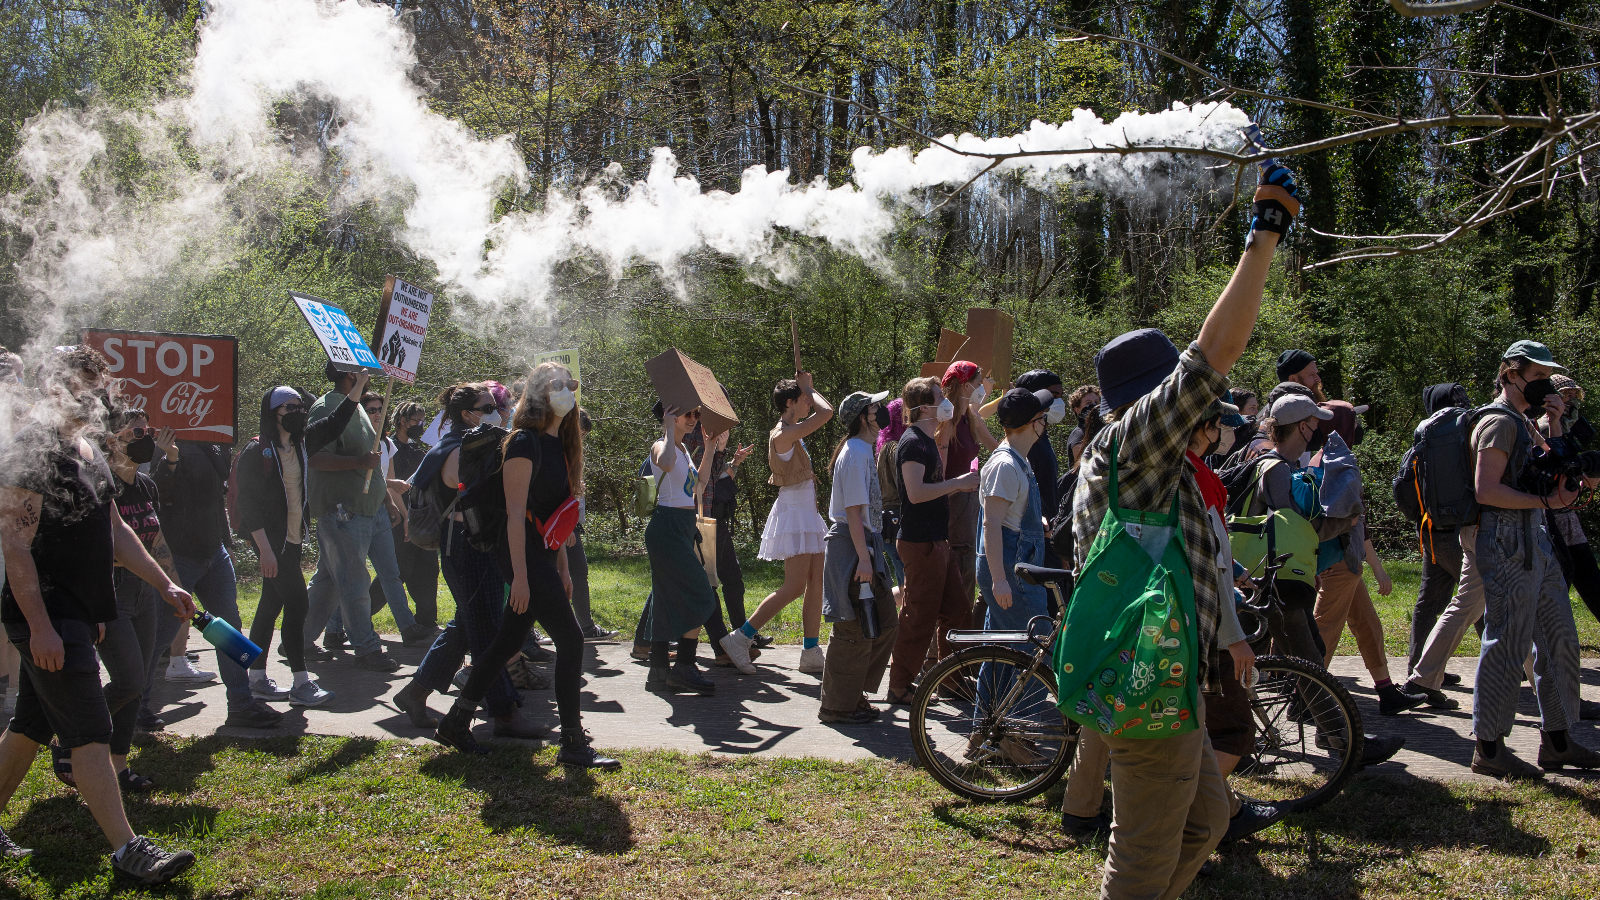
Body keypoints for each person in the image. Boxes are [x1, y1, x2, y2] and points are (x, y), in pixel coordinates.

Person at [1061, 159, 1297, 900]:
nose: (1209, 416)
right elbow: (1215, 354)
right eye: (1193, 402)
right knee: (1142, 859)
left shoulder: (1147, 464)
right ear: (1155, 397)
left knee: (1203, 825)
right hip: (1149, 687)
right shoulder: (1138, 442)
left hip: (1172, 684)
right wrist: (1265, 230)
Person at [0, 347, 197, 882]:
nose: (95, 398)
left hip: (79, 613)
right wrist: (42, 626)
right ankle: (128, 850)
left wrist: (164, 582)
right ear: (53, 387)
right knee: (89, 730)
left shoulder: (88, 450)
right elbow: (16, 549)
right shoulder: (31, 448)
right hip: (45, 613)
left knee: (29, 727)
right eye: (84, 387)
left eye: (97, 386)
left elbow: (114, 531)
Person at [433, 364, 619, 768]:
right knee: (570, 641)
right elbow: (515, 515)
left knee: (505, 642)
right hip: (520, 556)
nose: (567, 390)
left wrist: (564, 570)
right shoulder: (522, 442)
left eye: (571, 383)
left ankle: (455, 722)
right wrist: (519, 576)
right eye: (558, 384)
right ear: (537, 394)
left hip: (542, 555)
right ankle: (572, 743)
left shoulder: (563, 445)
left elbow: (559, 518)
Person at [1458, 342, 1599, 778]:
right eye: (1537, 376)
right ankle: (1489, 747)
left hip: (1536, 538)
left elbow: (1553, 466)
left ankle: (1558, 741)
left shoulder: (1526, 421)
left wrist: (1555, 423)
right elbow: (1486, 490)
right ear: (1511, 374)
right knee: (1508, 641)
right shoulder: (1498, 422)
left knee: (1560, 638)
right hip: (1505, 542)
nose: (1544, 384)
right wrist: (1544, 500)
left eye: (1547, 377)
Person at [393, 384, 536, 740]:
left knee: (464, 627)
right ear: (467, 414)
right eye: (487, 407)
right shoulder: (458, 449)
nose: (496, 411)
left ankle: (414, 693)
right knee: (487, 630)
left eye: (496, 406)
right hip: (465, 545)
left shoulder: (475, 443)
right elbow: (477, 495)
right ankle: (504, 711)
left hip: (480, 543)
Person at [49, 406, 179, 793]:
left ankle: (119, 768)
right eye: (136, 435)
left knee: (137, 687)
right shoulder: (97, 484)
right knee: (128, 680)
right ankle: (69, 740)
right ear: (112, 442)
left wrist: (172, 583)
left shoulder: (145, 484)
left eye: (148, 432)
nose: (147, 440)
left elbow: (154, 540)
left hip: (145, 592)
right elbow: (105, 547)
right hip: (112, 590)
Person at [144, 393, 282, 730]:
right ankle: (135, 706)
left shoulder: (216, 443)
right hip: (177, 556)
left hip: (213, 554)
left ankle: (241, 704)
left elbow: (216, 498)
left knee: (229, 630)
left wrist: (226, 543)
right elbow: (156, 493)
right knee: (161, 633)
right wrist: (169, 458)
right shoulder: (164, 442)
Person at [237, 385, 360, 708]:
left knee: (269, 608)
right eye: (289, 408)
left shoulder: (302, 443)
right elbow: (249, 505)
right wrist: (263, 549)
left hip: (291, 540)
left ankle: (256, 678)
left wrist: (358, 387)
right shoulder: (256, 452)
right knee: (297, 605)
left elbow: (336, 422)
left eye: (299, 406)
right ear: (273, 413)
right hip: (270, 543)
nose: (297, 412)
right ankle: (301, 683)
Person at [1308, 400, 1428, 716]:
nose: (1358, 429)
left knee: (1368, 625)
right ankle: (1304, 697)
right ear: (1343, 425)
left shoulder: (1328, 459)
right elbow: (1349, 520)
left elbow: (1358, 525)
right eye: (1353, 421)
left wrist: (1376, 569)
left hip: (1348, 562)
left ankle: (1387, 691)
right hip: (1337, 563)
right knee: (1325, 630)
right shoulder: (1336, 464)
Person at [719, 372, 834, 676]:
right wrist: (810, 385)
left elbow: (821, 412)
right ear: (790, 403)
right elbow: (827, 412)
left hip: (806, 514)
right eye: (804, 399)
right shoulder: (782, 435)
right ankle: (740, 638)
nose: (809, 403)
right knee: (794, 587)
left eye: (809, 397)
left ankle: (811, 650)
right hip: (794, 515)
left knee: (815, 584)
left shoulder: (792, 431)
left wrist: (807, 388)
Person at [297, 363, 399, 672]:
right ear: (351, 375)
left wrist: (387, 500)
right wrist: (357, 461)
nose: (370, 376)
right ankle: (366, 648)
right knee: (355, 580)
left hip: (363, 510)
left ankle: (298, 642)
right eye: (364, 371)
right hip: (341, 511)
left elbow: (372, 463)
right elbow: (313, 457)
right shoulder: (327, 407)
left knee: (328, 582)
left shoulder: (359, 410)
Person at [882, 376, 978, 705]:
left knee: (958, 613)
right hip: (920, 543)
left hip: (938, 541)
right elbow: (916, 493)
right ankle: (899, 686)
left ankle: (949, 680)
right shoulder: (912, 443)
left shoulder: (928, 439)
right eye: (940, 397)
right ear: (924, 407)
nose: (946, 401)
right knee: (918, 617)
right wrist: (958, 483)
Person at [325, 392, 432, 647]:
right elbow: (358, 478)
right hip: (353, 514)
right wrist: (386, 484)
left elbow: (389, 485)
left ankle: (407, 627)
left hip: (380, 513)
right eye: (371, 409)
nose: (376, 414)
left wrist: (404, 516)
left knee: (391, 574)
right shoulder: (352, 441)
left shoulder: (385, 444)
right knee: (353, 577)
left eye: (379, 409)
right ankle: (333, 629)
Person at [818, 390, 899, 724]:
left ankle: (855, 693)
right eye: (875, 408)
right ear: (863, 417)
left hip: (866, 543)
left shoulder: (865, 450)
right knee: (852, 628)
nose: (881, 412)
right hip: (852, 546)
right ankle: (836, 706)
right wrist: (863, 559)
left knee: (884, 622)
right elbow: (852, 511)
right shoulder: (853, 454)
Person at [644, 399, 720, 694]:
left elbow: (698, 486)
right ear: (671, 415)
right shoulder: (661, 446)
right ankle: (685, 666)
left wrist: (710, 446)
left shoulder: (685, 449)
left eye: (696, 414)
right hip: (667, 527)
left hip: (682, 528)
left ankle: (658, 670)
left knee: (663, 601)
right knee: (702, 595)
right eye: (688, 413)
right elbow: (664, 464)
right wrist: (666, 429)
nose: (693, 419)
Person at [1407, 382, 1471, 683]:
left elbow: (1402, 485)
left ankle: (1420, 668)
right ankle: (1498, 669)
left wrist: (1420, 517)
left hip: (1431, 530)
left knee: (1429, 603)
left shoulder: (1424, 438)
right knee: (1479, 602)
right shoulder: (1462, 434)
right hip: (1461, 531)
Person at [939, 361, 999, 627]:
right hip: (951, 506)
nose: (980, 390)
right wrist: (957, 486)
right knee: (954, 578)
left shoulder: (970, 417)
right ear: (964, 385)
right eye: (977, 384)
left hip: (969, 504)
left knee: (966, 576)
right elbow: (938, 474)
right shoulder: (948, 421)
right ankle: (939, 653)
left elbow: (997, 449)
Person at [370, 400, 439, 629]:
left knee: (428, 567)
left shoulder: (418, 451)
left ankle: (427, 620)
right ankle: (359, 616)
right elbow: (388, 484)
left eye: (422, 421)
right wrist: (404, 516)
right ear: (402, 420)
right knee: (399, 568)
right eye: (415, 420)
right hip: (398, 517)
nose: (420, 425)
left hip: (419, 517)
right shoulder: (388, 447)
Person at [570, 409, 619, 641]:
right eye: (580, 432)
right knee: (575, 574)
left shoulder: (572, 451)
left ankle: (582, 628)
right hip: (564, 527)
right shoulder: (560, 450)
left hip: (572, 525)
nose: (582, 438)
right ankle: (582, 629)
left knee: (577, 574)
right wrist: (569, 527)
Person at [875, 397, 908, 586]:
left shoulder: (884, 447)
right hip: (898, 517)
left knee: (903, 576)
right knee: (908, 578)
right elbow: (904, 486)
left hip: (887, 519)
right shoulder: (896, 448)